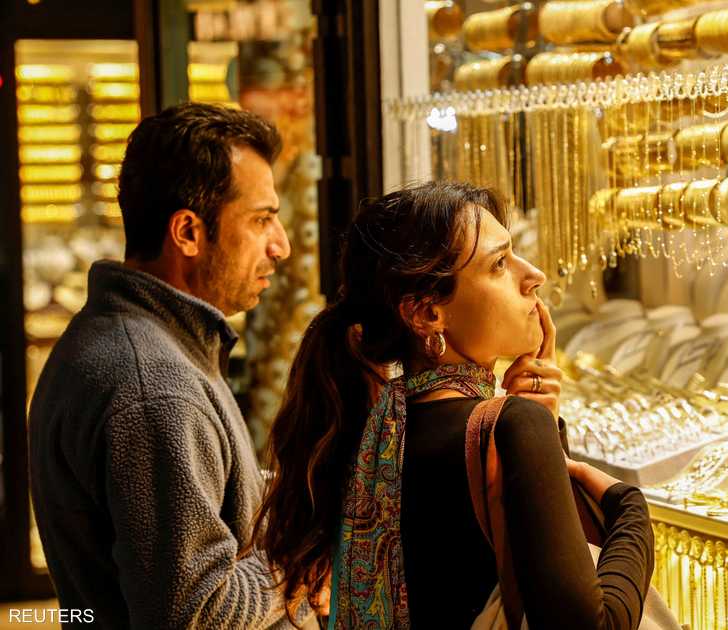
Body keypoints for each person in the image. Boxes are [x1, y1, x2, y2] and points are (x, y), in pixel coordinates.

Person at [249, 181, 655, 628]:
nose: (534, 275)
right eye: (499, 264)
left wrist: (543, 425)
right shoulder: (511, 427)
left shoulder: (373, 428)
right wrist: (631, 512)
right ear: (427, 314)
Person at [27, 102, 317, 629]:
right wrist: (296, 556)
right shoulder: (153, 388)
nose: (281, 245)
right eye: (261, 219)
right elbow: (195, 613)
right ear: (187, 232)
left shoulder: (143, 342)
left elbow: (208, 498)